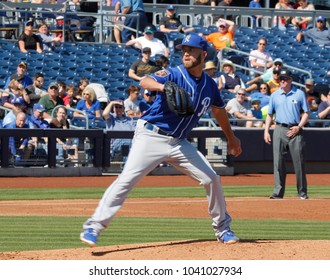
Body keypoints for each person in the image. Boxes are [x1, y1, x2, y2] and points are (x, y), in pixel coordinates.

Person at [80, 33, 241, 247]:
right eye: (184, 49)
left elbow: (219, 111)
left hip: (179, 143)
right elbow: (146, 80)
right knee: (127, 179)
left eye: (191, 50)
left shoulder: (210, 86)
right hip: (151, 135)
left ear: (203, 54)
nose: (186, 52)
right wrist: (162, 87)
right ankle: (94, 225)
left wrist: (231, 138)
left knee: (211, 179)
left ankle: (223, 229)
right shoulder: (173, 74)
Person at [264, 69, 309, 200]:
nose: (282, 81)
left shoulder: (299, 94)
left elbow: (306, 112)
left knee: (299, 162)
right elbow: (269, 114)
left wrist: (299, 126)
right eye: (280, 78)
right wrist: (266, 130)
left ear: (290, 80)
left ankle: (302, 192)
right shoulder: (275, 95)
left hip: (295, 129)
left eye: (285, 78)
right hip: (279, 128)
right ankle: (278, 192)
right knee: (278, 162)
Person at [103, 99, 136, 164]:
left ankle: (126, 166)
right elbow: (105, 114)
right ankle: (126, 166)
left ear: (123, 109)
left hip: (128, 144)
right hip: (113, 145)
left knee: (129, 143)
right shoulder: (111, 118)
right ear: (113, 108)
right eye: (116, 107)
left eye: (120, 107)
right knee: (126, 142)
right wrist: (112, 102)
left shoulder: (129, 120)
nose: (118, 109)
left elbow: (134, 131)